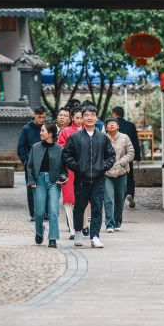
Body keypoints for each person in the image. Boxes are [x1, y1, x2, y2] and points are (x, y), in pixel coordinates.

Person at [62, 105, 116, 248]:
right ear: (82, 118)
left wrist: (102, 167)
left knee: (97, 207)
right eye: (86, 115)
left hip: (98, 179)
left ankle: (95, 236)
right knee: (79, 207)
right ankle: (78, 231)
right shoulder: (75, 137)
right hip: (81, 179)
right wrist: (77, 167)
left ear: (96, 117)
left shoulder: (102, 137)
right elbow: (66, 155)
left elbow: (111, 156)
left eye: (92, 115)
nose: (90, 117)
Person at [25, 123, 67, 248]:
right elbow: (30, 166)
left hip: (54, 182)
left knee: (53, 211)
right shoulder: (35, 147)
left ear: (50, 133)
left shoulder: (59, 149)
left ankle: (53, 238)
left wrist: (63, 177)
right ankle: (39, 232)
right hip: (39, 181)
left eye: (43, 131)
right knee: (38, 212)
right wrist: (31, 181)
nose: (40, 133)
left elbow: (64, 169)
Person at [103, 118, 135, 233]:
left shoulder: (125, 137)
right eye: (109, 124)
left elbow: (131, 153)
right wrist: (104, 165)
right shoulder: (102, 137)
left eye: (113, 123)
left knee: (120, 199)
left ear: (118, 126)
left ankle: (117, 221)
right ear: (106, 127)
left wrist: (122, 162)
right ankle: (109, 224)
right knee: (108, 199)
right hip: (106, 173)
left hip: (121, 172)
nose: (111, 125)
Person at [18, 106, 47, 221]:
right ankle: (33, 214)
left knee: (45, 188)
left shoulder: (46, 128)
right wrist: (25, 161)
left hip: (45, 163)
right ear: (34, 115)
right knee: (31, 189)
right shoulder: (26, 129)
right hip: (31, 164)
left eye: (43, 117)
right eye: (39, 117)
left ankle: (45, 212)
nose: (41, 120)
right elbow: (21, 147)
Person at [57, 106, 83, 239]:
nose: (79, 120)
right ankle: (73, 229)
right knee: (69, 200)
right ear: (72, 118)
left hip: (85, 169)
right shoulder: (65, 132)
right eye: (77, 118)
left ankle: (84, 225)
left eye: (81, 117)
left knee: (86, 198)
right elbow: (61, 148)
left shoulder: (90, 131)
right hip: (70, 169)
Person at [111, 106, 141, 208]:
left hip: (114, 156)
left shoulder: (111, 125)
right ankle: (130, 193)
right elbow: (135, 142)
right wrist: (137, 157)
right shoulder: (130, 125)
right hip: (128, 155)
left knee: (116, 176)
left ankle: (119, 197)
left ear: (114, 114)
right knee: (129, 175)